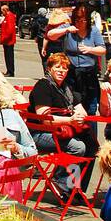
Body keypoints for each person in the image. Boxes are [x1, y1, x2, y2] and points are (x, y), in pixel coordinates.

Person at [28, 51, 97, 190]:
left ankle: (77, 188)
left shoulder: (66, 88)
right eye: (58, 67)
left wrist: (78, 117)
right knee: (78, 147)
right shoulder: (43, 86)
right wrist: (70, 120)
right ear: (49, 68)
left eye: (65, 68)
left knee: (92, 146)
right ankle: (59, 180)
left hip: (62, 131)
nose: (61, 71)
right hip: (39, 133)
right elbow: (44, 118)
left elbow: (81, 110)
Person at [62, 1, 105, 113]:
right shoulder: (69, 29)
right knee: (74, 105)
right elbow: (50, 34)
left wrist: (90, 49)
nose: (80, 23)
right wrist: (66, 30)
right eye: (77, 20)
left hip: (89, 73)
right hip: (72, 72)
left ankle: (91, 128)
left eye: (83, 20)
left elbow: (102, 49)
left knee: (91, 106)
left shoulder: (94, 31)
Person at [0, 3, 17, 78]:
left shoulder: (9, 16)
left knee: (9, 57)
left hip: (9, 41)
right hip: (6, 41)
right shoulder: (7, 16)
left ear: (5, 10)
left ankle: (10, 71)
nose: (1, 12)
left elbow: (10, 29)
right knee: (7, 56)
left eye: (2, 11)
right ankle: (9, 70)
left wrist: (5, 38)